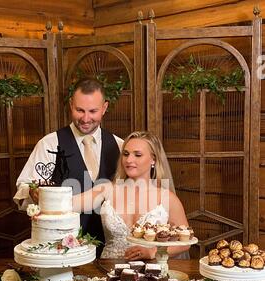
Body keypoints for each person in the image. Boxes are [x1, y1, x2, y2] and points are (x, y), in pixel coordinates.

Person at [13, 78, 123, 253]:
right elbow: (24, 187)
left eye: (93, 111)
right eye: (80, 110)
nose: (86, 118)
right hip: (60, 247)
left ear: (104, 108)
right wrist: (34, 193)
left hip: (107, 248)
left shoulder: (120, 146)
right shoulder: (49, 144)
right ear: (71, 105)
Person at [72, 130, 190, 260]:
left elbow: (185, 243)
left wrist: (152, 252)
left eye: (137, 155)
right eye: (126, 154)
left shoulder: (167, 198)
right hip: (108, 269)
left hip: (150, 272)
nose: (129, 160)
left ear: (153, 159)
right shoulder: (106, 189)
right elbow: (67, 205)